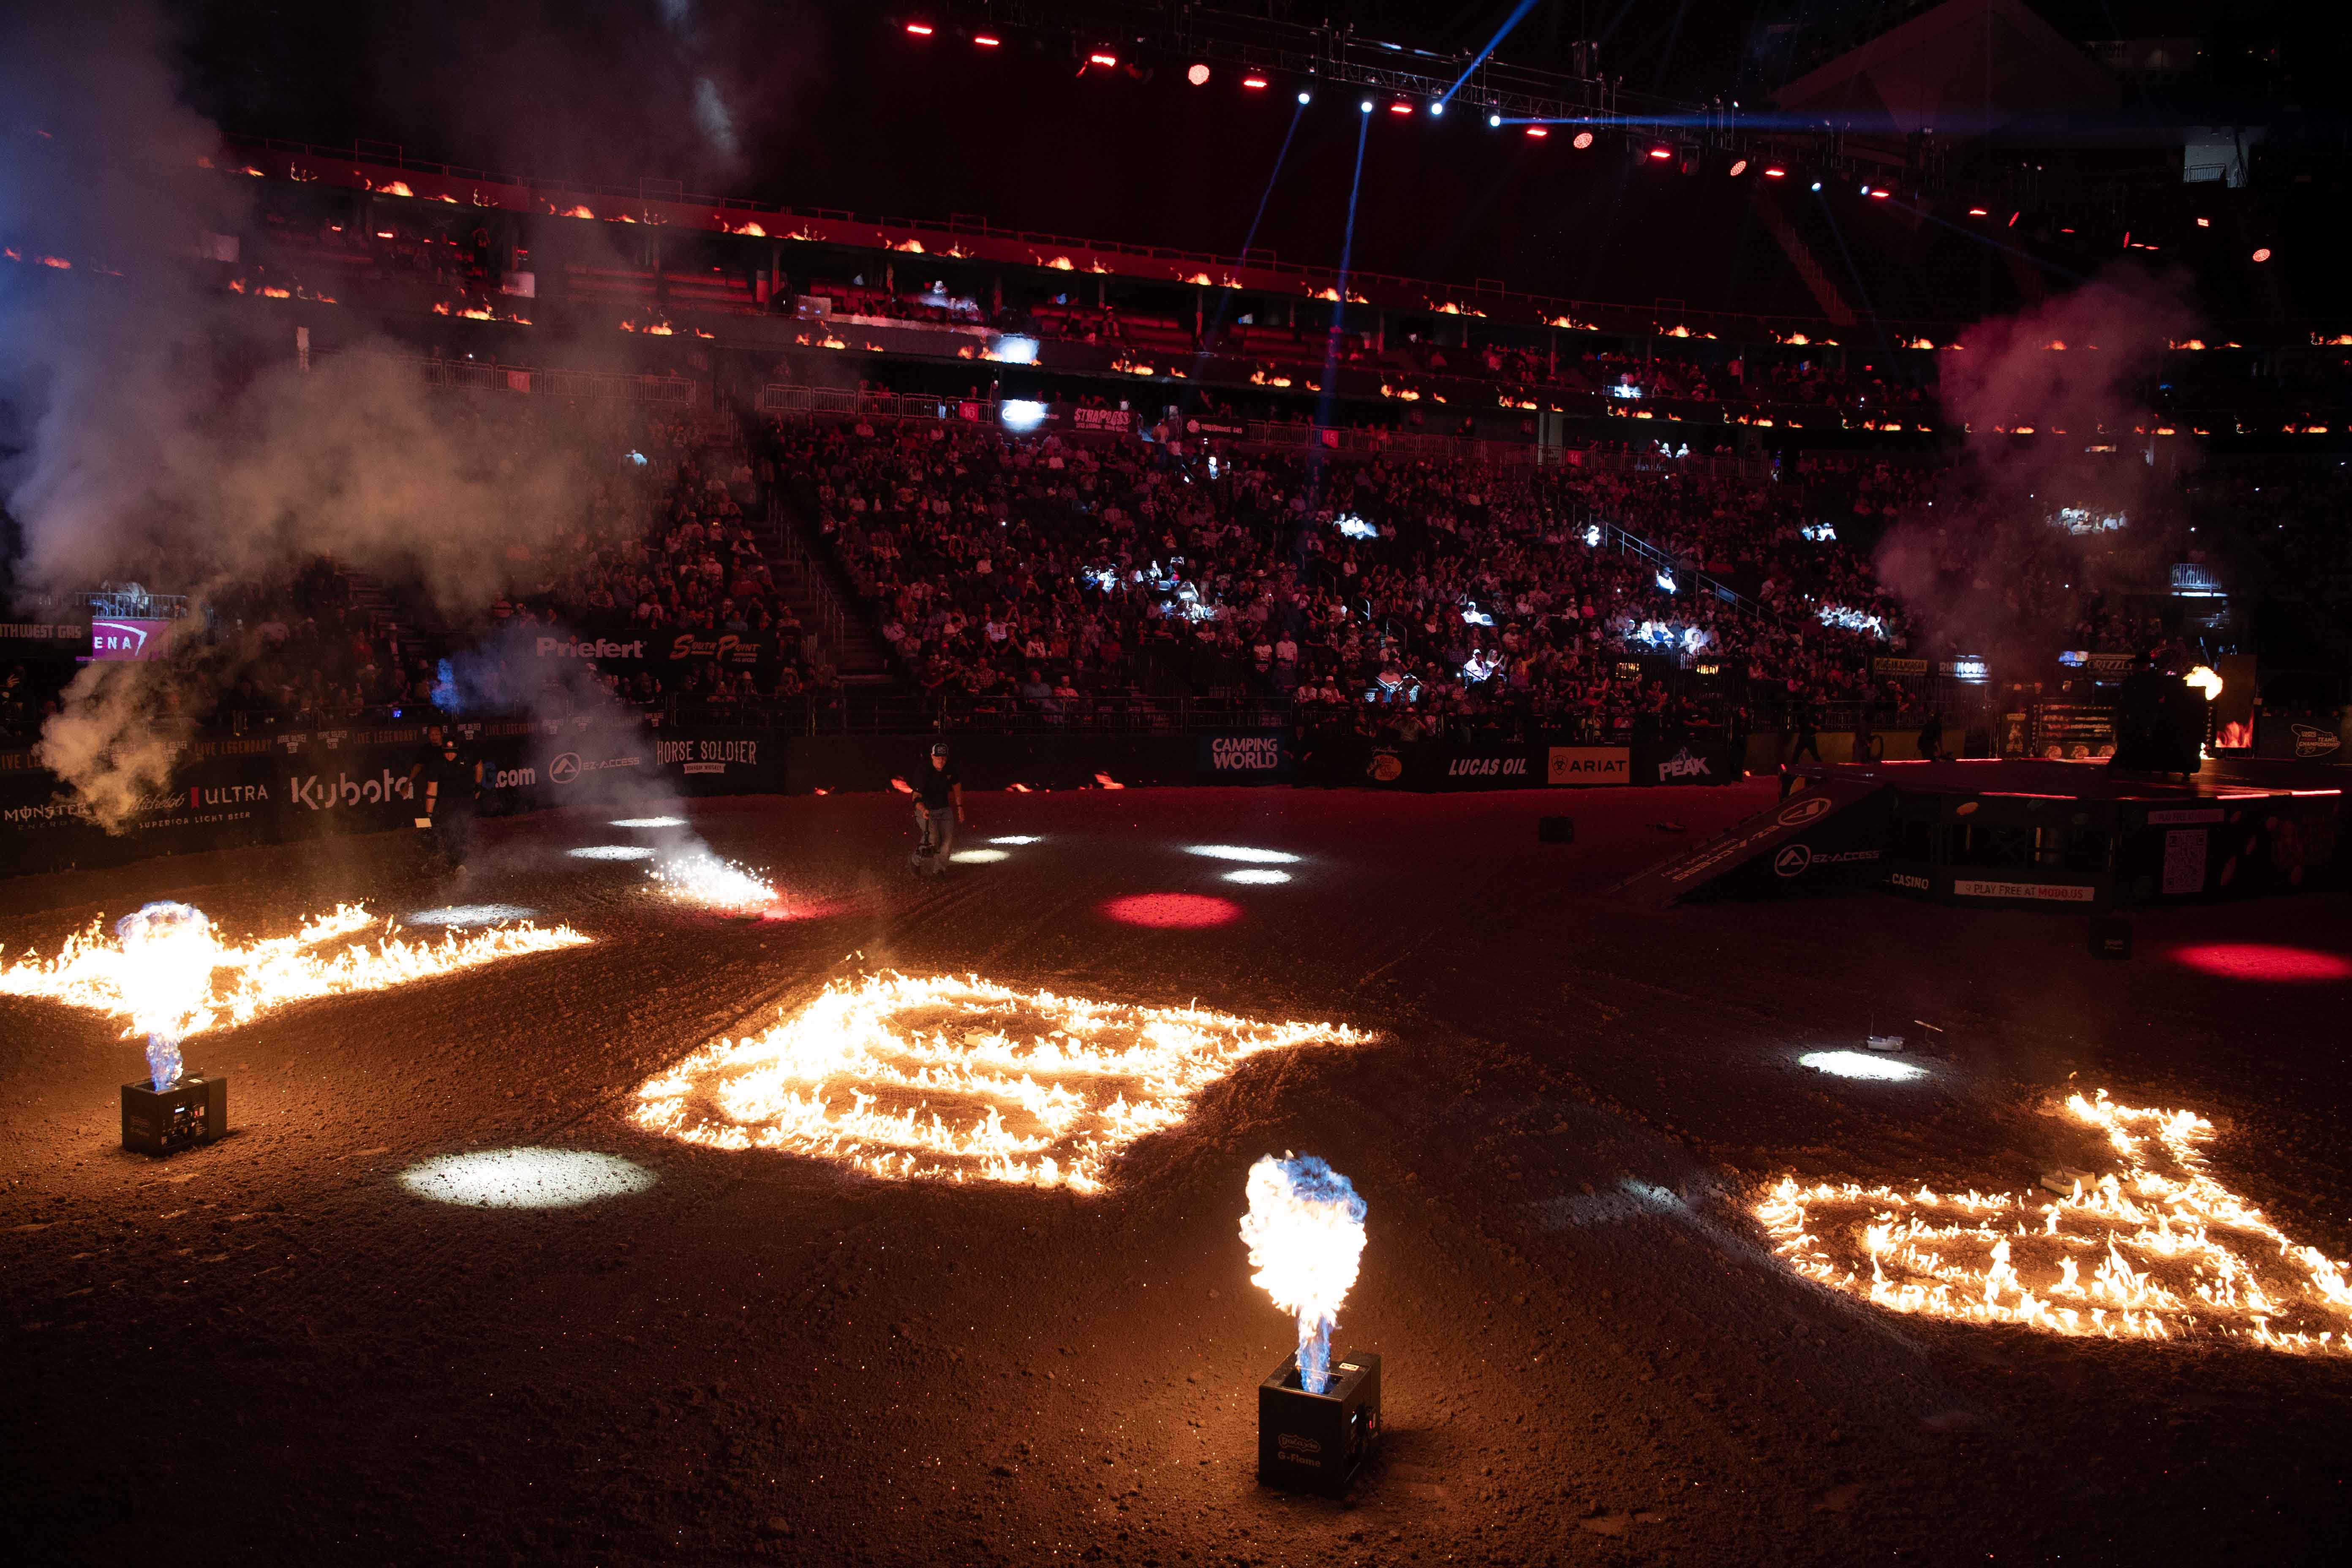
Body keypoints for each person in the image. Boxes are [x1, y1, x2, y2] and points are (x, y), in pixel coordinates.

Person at [421, 728, 481, 871]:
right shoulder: (436, 763)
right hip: (446, 800)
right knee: (443, 829)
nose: (449, 755)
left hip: (465, 799)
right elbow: (432, 790)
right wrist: (428, 814)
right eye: (447, 752)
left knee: (462, 829)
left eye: (453, 752)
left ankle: (460, 863)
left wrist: (478, 785)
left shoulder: (467, 756)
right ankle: (439, 858)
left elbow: (479, 765)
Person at [913, 740, 962, 870]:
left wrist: (960, 807)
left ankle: (940, 870)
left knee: (948, 840)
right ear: (932, 756)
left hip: (944, 809)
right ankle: (915, 861)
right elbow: (916, 796)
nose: (941, 760)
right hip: (926, 809)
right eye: (938, 757)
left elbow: (956, 784)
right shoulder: (924, 770)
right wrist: (923, 810)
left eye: (944, 758)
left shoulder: (950, 768)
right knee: (933, 838)